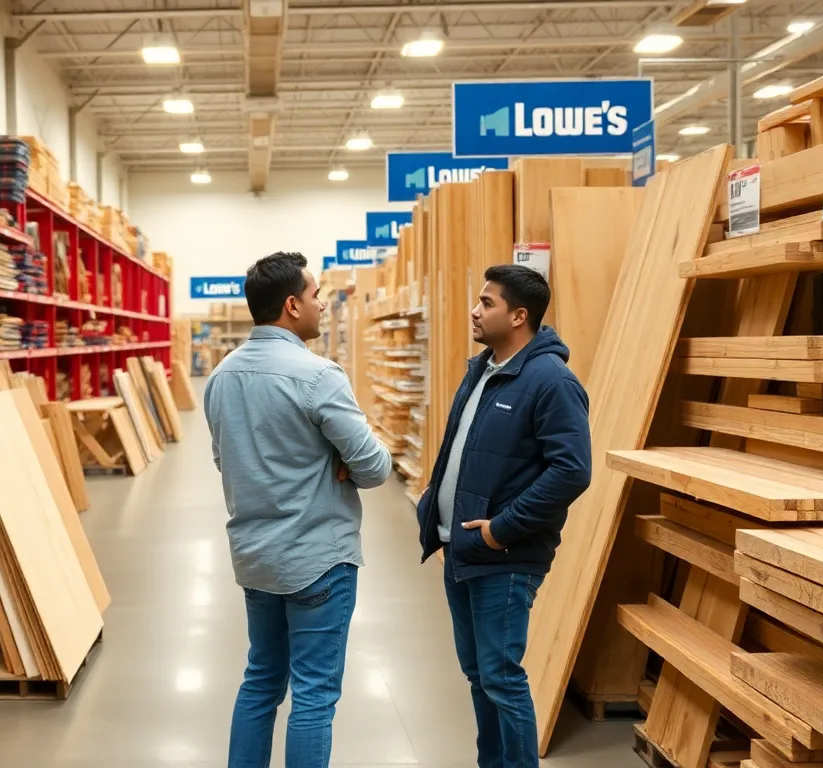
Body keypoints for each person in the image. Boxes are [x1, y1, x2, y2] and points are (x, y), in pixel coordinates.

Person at [205, 251, 392, 768]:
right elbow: (375, 467)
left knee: (261, 680)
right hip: (317, 560)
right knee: (313, 695)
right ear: (292, 305)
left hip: (255, 559)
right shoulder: (318, 376)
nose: (322, 305)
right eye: (316, 296)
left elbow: (226, 460)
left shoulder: (221, 377)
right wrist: (336, 459)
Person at [416, 264, 591, 768]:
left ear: (519, 316)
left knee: (501, 678)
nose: (475, 310)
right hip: (461, 549)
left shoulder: (551, 381)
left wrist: (501, 529)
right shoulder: (483, 369)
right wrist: (435, 498)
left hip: (504, 556)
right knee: (480, 675)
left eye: (487, 303)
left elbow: (572, 471)